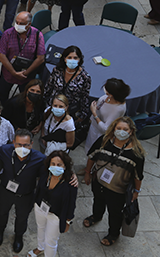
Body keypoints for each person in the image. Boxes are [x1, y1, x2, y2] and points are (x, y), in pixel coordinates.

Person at [84, 117, 145, 247]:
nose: (121, 131)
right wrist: (87, 173)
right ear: (113, 129)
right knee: (98, 201)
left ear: (131, 131)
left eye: (125, 129)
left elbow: (138, 176)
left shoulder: (136, 153)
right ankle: (96, 216)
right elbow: (91, 157)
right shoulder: (103, 141)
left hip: (118, 190)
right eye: (118, 128)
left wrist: (136, 192)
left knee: (115, 213)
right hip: (99, 182)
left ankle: (113, 234)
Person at [0, 129, 46, 253]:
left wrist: (71, 175)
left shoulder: (40, 158)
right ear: (13, 143)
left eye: (26, 145)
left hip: (25, 194)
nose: (22, 147)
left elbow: (56, 164)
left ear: (31, 144)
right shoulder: (5, 150)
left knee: (22, 217)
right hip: (6, 190)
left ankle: (18, 236)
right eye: (19, 144)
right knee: (2, 212)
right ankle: (0, 230)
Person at [29, 151, 77, 257]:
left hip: (56, 215)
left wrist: (68, 221)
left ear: (65, 165)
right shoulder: (45, 172)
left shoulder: (70, 183)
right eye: (53, 164)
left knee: (51, 241)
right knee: (40, 228)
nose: (55, 167)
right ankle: (40, 247)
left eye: (59, 164)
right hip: (40, 207)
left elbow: (72, 204)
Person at [0, 11, 45, 105]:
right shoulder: (8, 34)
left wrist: (26, 73)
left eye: (21, 23)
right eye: (17, 22)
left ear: (29, 24)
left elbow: (40, 58)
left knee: (24, 99)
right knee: (1, 96)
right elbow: (1, 55)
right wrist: (14, 72)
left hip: (27, 76)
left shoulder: (37, 35)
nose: (18, 25)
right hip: (8, 73)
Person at [44, 45, 91, 129]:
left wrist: (83, 114)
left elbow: (85, 96)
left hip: (70, 109)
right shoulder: (57, 70)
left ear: (79, 59)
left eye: (75, 58)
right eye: (69, 57)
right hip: (54, 104)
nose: (72, 60)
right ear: (64, 58)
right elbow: (49, 86)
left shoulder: (85, 77)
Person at [85, 78, 130, 153]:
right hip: (94, 127)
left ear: (111, 94)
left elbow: (105, 129)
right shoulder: (108, 97)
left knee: (93, 150)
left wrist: (94, 113)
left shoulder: (117, 109)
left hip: (99, 134)